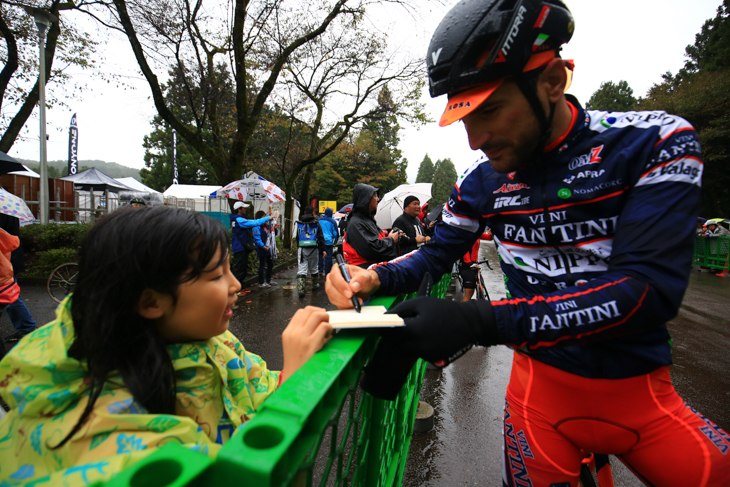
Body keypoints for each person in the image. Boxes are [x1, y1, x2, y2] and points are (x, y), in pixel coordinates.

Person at [326, 1, 730, 485]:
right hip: (539, 398)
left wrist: (481, 320)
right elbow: (436, 253)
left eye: (490, 111)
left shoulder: (653, 143)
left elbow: (645, 292)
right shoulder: (481, 183)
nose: (475, 140)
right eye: (464, 119)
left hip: (642, 398)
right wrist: (376, 276)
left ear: (554, 81)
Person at [0, 206, 332, 486]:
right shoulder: (99, 418)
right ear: (150, 301)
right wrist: (295, 383)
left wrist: (290, 369)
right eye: (217, 275)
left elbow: (255, 387)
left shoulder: (211, 338)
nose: (234, 284)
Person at [341, 183, 401, 268]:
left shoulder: (367, 220)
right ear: (366, 199)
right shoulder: (356, 223)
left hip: (371, 269)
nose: (378, 199)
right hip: (362, 272)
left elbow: (376, 242)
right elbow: (372, 249)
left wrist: (394, 239)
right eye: (375, 196)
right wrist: (391, 240)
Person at [0, 213, 37, 343]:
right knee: (11, 296)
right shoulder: (8, 211)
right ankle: (27, 328)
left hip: (5, 262)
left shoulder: (3, 213)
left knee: (11, 297)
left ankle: (27, 328)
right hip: (9, 260)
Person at [230, 201, 277, 295]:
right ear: (239, 209)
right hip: (239, 247)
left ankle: (240, 287)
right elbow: (255, 222)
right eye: (244, 208)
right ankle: (235, 289)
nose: (246, 209)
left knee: (243, 268)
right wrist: (269, 217)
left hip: (242, 247)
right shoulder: (239, 220)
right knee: (238, 268)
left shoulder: (240, 219)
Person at [296, 206, 326, 297]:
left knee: (302, 269)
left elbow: (297, 237)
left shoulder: (300, 223)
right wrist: (323, 249)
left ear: (304, 213)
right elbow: (321, 237)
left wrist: (299, 246)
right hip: (313, 248)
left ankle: (301, 289)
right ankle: (314, 285)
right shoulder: (316, 223)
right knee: (313, 268)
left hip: (302, 248)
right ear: (313, 213)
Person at [253, 210, 278, 287]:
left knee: (270, 264)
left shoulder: (267, 226)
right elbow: (257, 239)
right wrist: (262, 246)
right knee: (262, 265)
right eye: (263, 217)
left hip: (269, 249)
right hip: (262, 249)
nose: (265, 218)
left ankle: (269, 279)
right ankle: (261, 282)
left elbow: (274, 234)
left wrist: (275, 228)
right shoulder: (256, 227)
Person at [318, 207, 340, 276]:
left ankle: (320, 269)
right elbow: (335, 233)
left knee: (320, 255)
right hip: (328, 241)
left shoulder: (319, 220)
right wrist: (336, 240)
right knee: (328, 256)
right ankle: (327, 271)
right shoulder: (332, 221)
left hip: (320, 241)